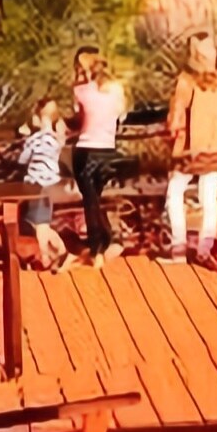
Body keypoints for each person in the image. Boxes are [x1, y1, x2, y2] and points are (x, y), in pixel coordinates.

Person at [161, 31, 217, 265]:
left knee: (174, 193)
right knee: (209, 198)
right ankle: (205, 248)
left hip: (191, 150)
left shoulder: (185, 81)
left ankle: (178, 246)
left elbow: (175, 119)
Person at [69, 45, 127, 268]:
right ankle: (106, 240)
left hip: (86, 149)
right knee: (97, 199)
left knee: (90, 201)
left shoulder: (81, 91)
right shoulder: (116, 89)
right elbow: (120, 116)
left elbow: (78, 120)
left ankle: (97, 249)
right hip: (108, 150)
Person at [17, 97, 71, 273]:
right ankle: (61, 253)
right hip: (50, 186)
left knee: (39, 228)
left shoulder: (34, 140)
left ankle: (45, 259)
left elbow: (22, 159)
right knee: (43, 225)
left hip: (36, 187)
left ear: (38, 118)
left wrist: (25, 136)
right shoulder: (56, 140)